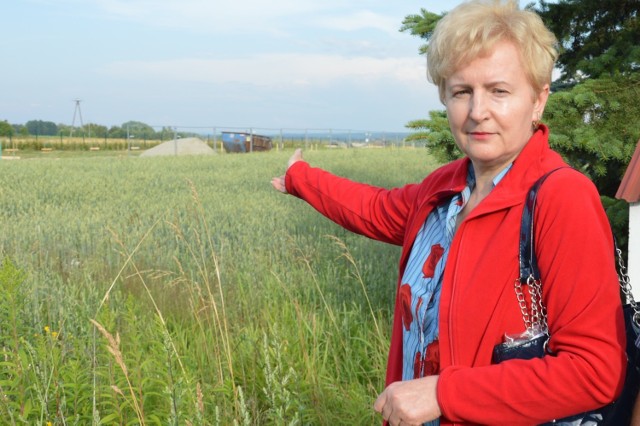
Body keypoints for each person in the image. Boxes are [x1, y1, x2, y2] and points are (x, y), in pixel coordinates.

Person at [271, 0, 626, 424]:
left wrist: (444, 393)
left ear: (538, 100)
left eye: (499, 91)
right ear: (445, 97)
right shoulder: (444, 190)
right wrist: (300, 179)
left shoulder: (560, 198)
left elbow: (594, 372)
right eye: (462, 92)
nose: (478, 112)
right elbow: (374, 208)